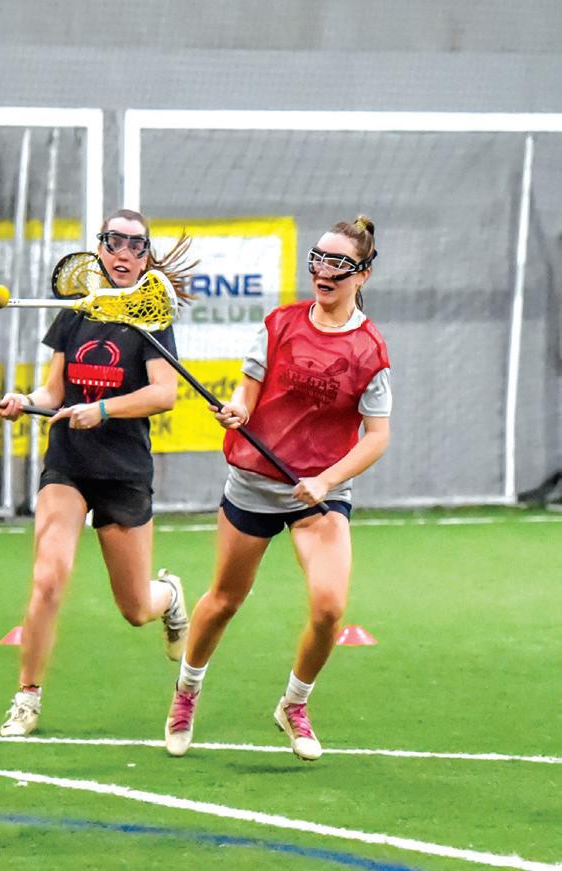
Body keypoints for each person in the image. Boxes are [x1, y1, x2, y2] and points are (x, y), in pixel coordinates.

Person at [164, 215, 391, 762]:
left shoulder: (370, 350)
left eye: (338, 263)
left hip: (320, 493)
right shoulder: (280, 324)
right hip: (255, 484)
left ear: (362, 274)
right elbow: (247, 392)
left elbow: (378, 436)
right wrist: (237, 410)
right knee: (224, 601)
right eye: (319, 258)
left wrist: (327, 480)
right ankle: (185, 695)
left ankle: (294, 705)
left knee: (330, 608)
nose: (324, 270)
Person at [0, 209, 195, 737]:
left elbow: (164, 394)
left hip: (123, 470)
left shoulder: (150, 318)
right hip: (69, 464)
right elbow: (53, 393)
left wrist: (102, 409)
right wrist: (24, 401)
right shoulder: (75, 313)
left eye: (136, 245)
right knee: (47, 578)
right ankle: (27, 697)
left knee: (136, 608)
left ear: (146, 258)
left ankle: (170, 595)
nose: (124, 253)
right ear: (99, 249)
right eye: (113, 241)